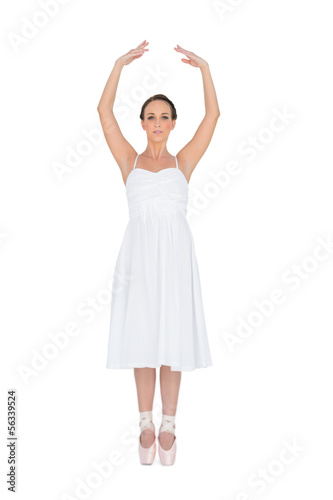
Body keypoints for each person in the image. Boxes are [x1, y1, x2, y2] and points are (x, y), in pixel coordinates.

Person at [97, 40, 220, 465]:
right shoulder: (128, 161)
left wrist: (204, 68)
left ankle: (169, 426)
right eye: (150, 116)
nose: (157, 122)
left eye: (164, 117)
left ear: (172, 124)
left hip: (176, 259)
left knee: (173, 337)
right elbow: (104, 115)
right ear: (143, 122)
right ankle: (144, 424)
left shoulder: (183, 161)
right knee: (143, 337)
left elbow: (214, 117)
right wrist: (118, 65)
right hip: (139, 259)